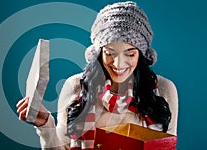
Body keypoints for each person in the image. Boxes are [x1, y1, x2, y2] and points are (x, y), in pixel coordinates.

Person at [16, 1, 178, 149]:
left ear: (141, 55)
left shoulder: (162, 90)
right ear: (98, 54)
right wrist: (46, 125)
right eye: (110, 53)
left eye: (129, 54)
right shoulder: (76, 87)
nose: (118, 64)